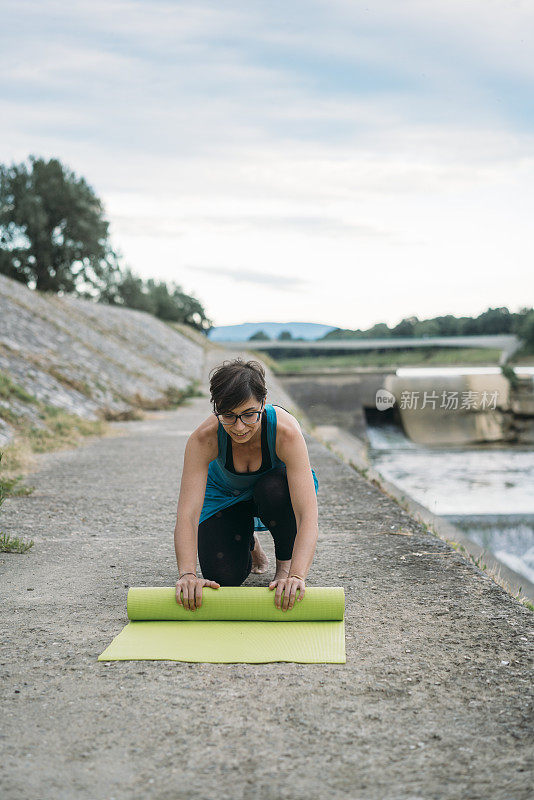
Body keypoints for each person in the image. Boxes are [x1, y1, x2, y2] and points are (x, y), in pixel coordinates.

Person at [173, 358, 319, 613]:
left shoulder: (286, 432)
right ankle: (247, 540)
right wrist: (187, 573)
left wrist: (296, 575)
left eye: (249, 415)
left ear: (263, 402)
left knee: (274, 488)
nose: (239, 428)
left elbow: (307, 516)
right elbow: (187, 515)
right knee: (223, 578)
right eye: (228, 416)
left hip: (275, 493)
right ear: (216, 408)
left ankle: (282, 566)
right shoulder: (203, 439)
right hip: (225, 496)